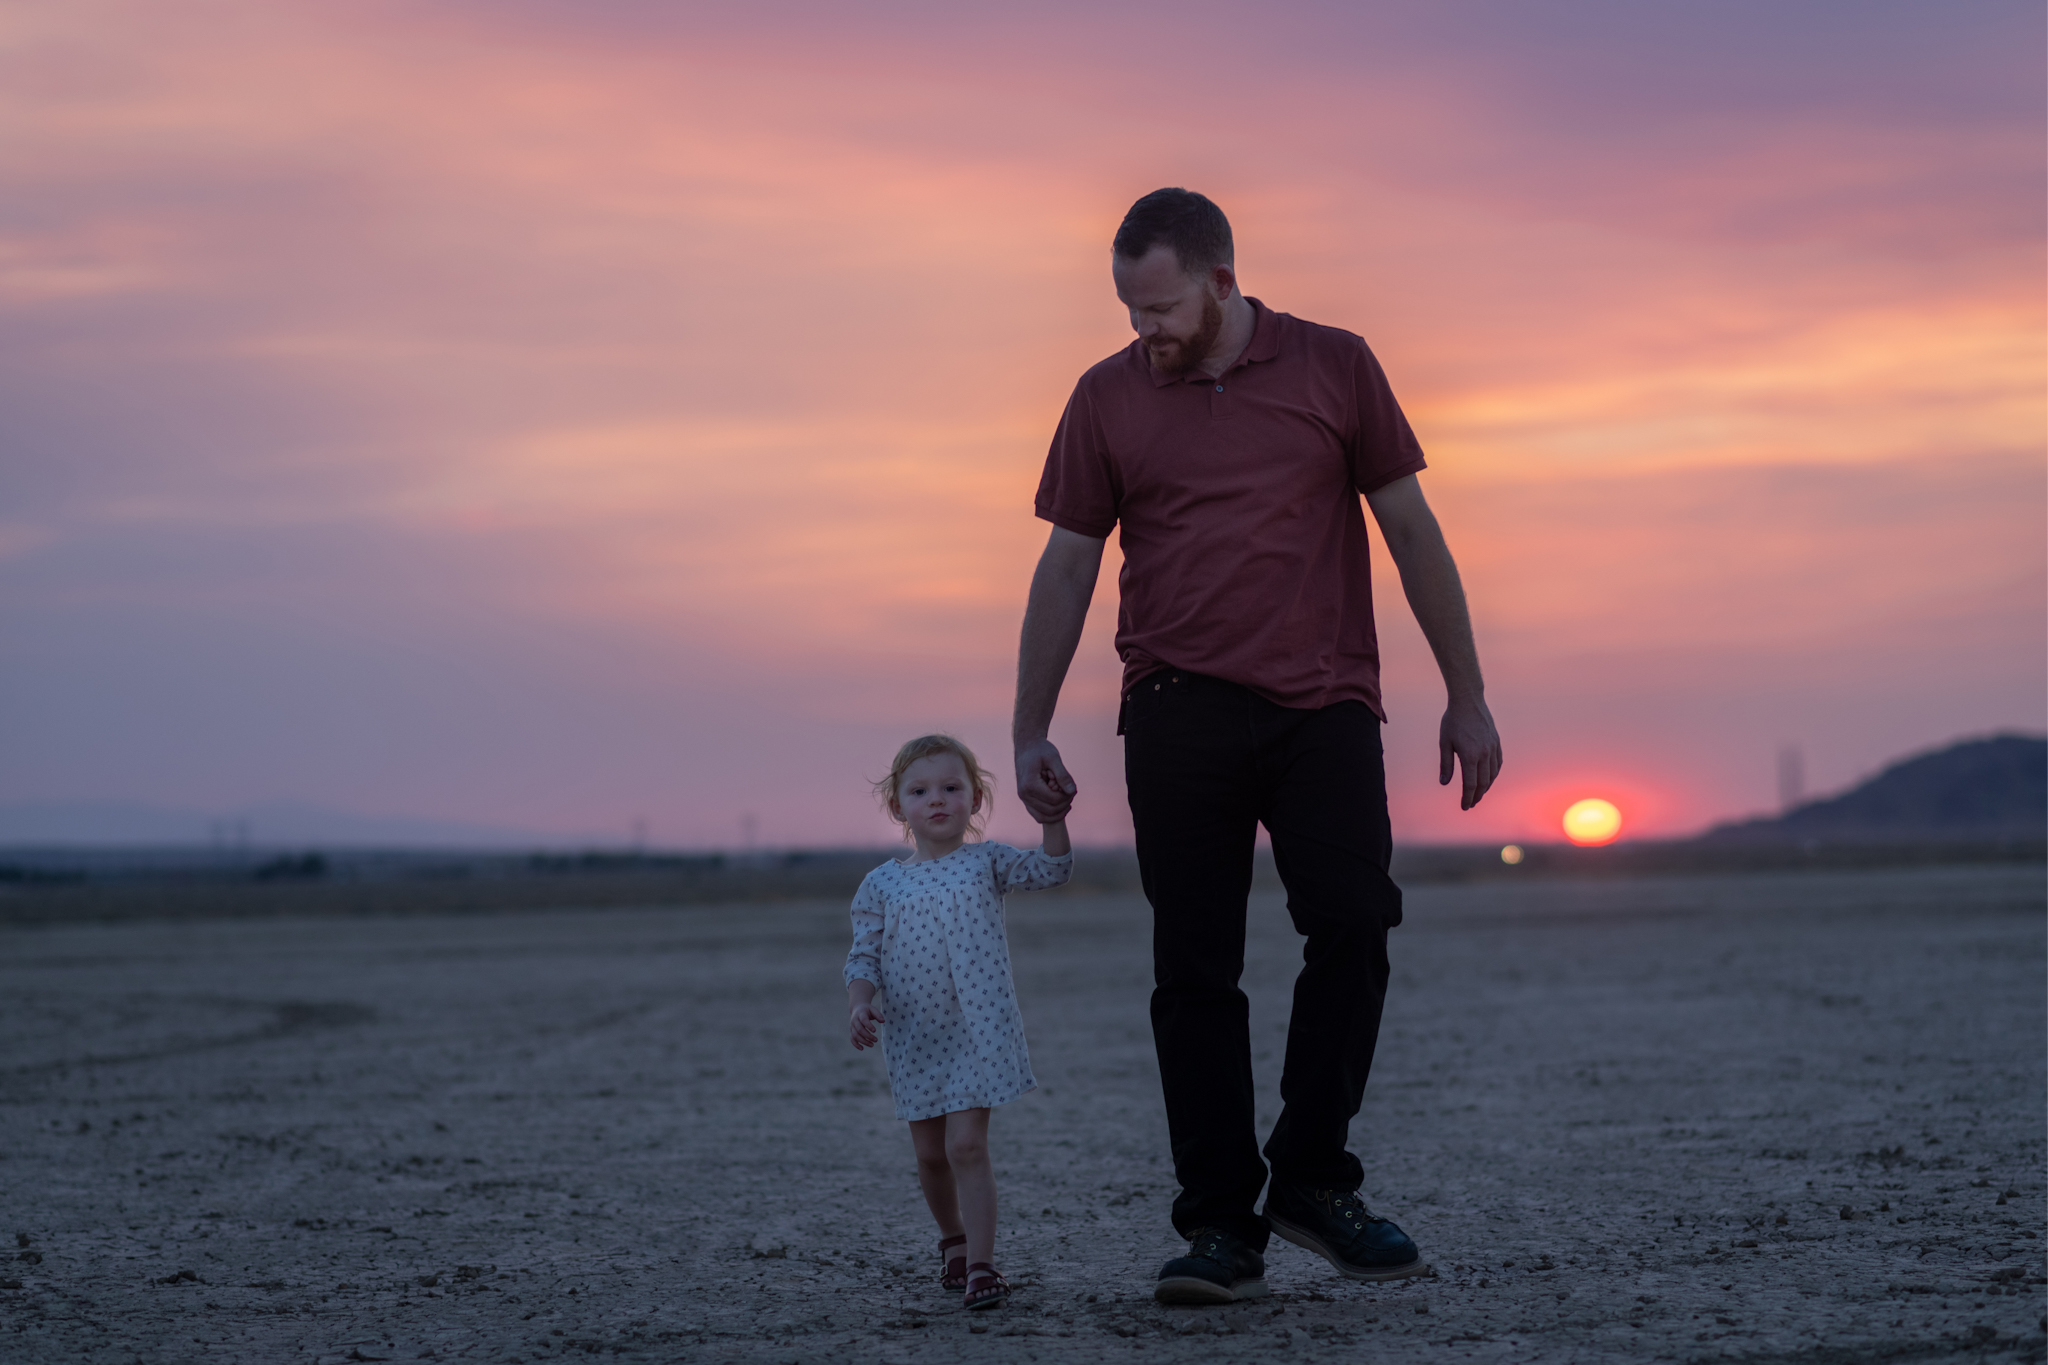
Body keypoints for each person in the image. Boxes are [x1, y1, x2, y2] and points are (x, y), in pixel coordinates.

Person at [1012, 188, 1502, 1305]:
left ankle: (1312, 1181)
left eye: (1161, 306)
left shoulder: (1335, 366)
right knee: (1193, 969)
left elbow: (1411, 529)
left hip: (1322, 706)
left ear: (1222, 280)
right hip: (1176, 709)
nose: (1145, 331)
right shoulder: (1103, 400)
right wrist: (1028, 725)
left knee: (1353, 921)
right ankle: (1219, 1228)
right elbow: (1066, 567)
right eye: (1129, 310)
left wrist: (1465, 694)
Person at [843, 733, 1075, 1311]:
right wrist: (859, 1002)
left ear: (975, 799)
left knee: (967, 1145)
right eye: (920, 790)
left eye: (952, 787)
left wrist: (1053, 817)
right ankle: (952, 1239)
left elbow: (1052, 870)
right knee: (930, 1154)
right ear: (899, 807)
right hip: (915, 1037)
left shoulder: (987, 861)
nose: (937, 799)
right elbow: (862, 955)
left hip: (978, 1030)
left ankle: (982, 1266)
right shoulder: (882, 884)